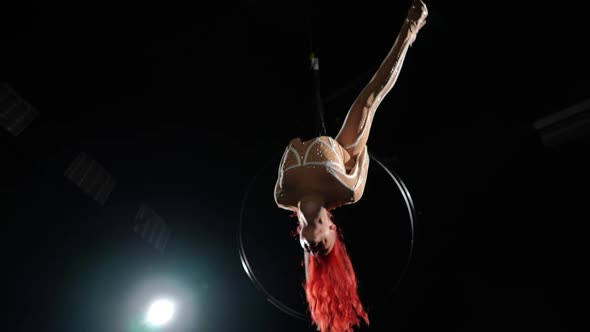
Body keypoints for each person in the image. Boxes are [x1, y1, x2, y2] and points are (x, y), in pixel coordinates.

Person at [273, 1, 428, 331]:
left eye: (312, 253)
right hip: (330, 129)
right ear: (333, 229)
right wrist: (408, 32)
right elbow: (374, 95)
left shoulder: (282, 195)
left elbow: (310, 253)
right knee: (368, 100)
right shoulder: (344, 186)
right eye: (324, 247)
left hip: (292, 76)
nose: (316, 248)